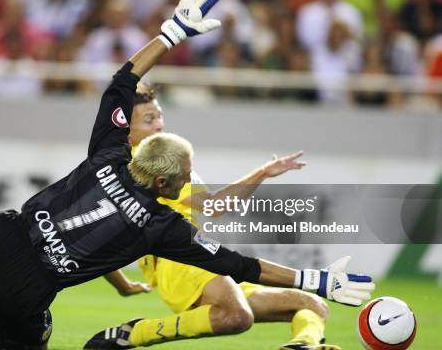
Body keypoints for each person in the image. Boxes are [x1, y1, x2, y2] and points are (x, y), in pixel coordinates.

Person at [0, 0, 374, 350]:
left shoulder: (106, 157)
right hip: (30, 284)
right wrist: (317, 279)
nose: (189, 181)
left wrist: (171, 34)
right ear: (165, 179)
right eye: (185, 176)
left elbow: (120, 83)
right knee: (21, 344)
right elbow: (238, 263)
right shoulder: (161, 225)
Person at [90, 84, 340, 350]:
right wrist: (262, 174)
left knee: (311, 305)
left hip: (198, 259)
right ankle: (137, 333)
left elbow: (99, 238)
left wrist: (123, 285)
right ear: (127, 133)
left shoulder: (141, 162)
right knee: (238, 316)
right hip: (180, 262)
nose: (159, 124)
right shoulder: (155, 161)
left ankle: (303, 345)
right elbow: (214, 206)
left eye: (160, 115)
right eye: (149, 119)